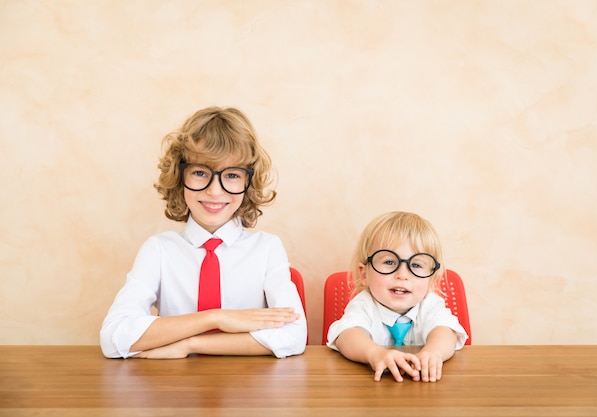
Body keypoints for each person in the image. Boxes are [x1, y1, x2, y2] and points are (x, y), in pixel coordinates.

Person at [100, 106, 306, 359]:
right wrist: (216, 318)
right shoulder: (159, 250)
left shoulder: (267, 248)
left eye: (231, 175)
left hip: (247, 387)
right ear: (179, 175)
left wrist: (189, 344)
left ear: (247, 182)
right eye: (200, 173)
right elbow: (113, 338)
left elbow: (294, 336)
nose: (215, 191)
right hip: (175, 388)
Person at [326, 211, 468, 382]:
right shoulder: (364, 304)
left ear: (431, 281)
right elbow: (347, 335)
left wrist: (433, 353)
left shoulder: (430, 304)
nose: (402, 275)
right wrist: (375, 354)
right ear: (364, 275)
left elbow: (446, 331)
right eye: (389, 262)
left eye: (416, 265)